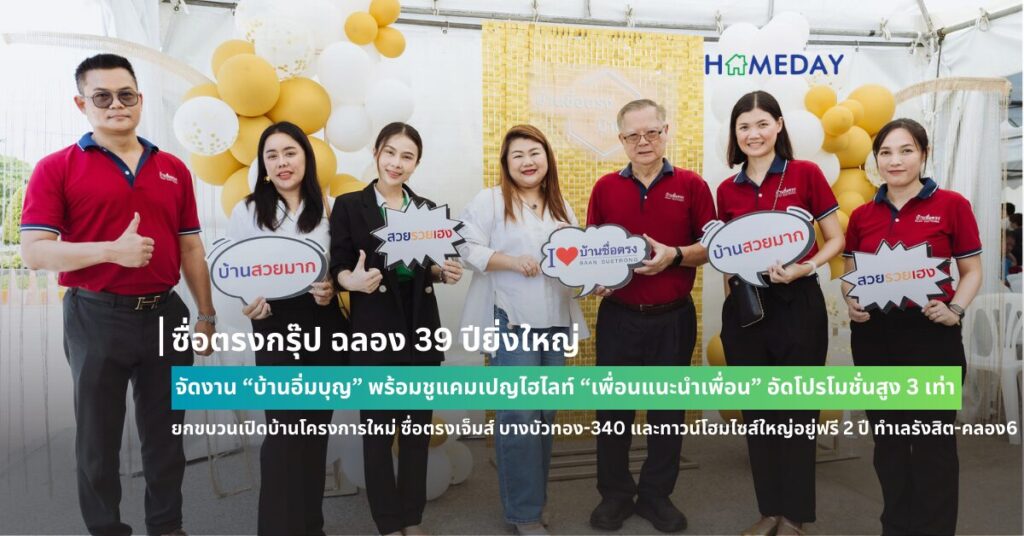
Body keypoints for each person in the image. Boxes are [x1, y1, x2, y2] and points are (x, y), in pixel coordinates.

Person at [19, 53, 216, 536]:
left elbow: (191, 247)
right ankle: (107, 529)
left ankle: (167, 526)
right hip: (95, 315)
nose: (115, 105)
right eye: (102, 96)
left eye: (125, 95)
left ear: (140, 99)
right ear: (81, 103)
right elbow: (35, 252)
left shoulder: (173, 168)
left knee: (166, 436)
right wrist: (112, 251)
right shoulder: (56, 168)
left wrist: (206, 314)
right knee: (98, 441)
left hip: (166, 314)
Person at [843, 118, 982, 536]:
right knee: (888, 443)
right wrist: (851, 300)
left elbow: (972, 270)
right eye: (885, 152)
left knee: (932, 446)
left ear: (923, 154)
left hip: (930, 334)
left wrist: (956, 309)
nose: (895, 160)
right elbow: (851, 273)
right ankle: (897, 527)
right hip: (874, 337)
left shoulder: (952, 205)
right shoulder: (863, 215)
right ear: (876, 159)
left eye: (906, 150)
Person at [714, 91, 845, 536]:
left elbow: (835, 238)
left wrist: (807, 266)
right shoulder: (727, 189)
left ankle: (795, 517)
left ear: (779, 125)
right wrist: (734, 305)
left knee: (797, 414)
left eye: (761, 124)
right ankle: (769, 510)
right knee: (758, 415)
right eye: (743, 126)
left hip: (798, 305)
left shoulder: (805, 174)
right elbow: (725, 257)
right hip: (747, 309)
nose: (753, 134)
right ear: (734, 133)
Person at [585, 99, 716, 534]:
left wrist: (674, 255)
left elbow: (710, 248)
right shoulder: (605, 187)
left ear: (666, 131)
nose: (643, 142)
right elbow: (591, 250)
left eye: (651, 132)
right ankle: (615, 495)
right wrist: (596, 278)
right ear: (621, 139)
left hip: (673, 318)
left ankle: (657, 495)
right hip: (618, 316)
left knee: (667, 412)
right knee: (613, 411)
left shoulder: (693, 185)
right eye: (633, 135)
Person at [329, 122, 463, 536]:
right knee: (377, 434)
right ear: (376, 153)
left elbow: (427, 265)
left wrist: (443, 271)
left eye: (407, 156)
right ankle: (388, 522)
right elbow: (338, 266)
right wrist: (351, 281)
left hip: (420, 328)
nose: (396, 163)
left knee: (416, 434)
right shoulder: (350, 206)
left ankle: (411, 518)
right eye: (390, 152)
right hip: (374, 330)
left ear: (416, 163)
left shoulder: (425, 208)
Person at [458, 125, 590, 535]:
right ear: (506, 163)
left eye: (534, 153)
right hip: (511, 319)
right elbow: (463, 246)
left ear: (547, 158)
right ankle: (524, 514)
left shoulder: (561, 207)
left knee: (544, 414)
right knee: (519, 414)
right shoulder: (491, 200)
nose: (527, 161)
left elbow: (575, 262)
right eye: (518, 155)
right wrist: (511, 261)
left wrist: (592, 278)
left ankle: (533, 500)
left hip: (555, 319)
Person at [226, 121, 348, 536]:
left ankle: (311, 527)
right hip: (274, 324)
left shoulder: (330, 208)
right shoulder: (246, 211)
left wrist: (332, 289)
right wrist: (248, 304)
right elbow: (236, 272)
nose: (282, 162)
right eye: (272, 155)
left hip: (323, 323)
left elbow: (340, 268)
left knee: (314, 432)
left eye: (290, 152)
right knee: (282, 434)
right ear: (263, 165)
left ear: (306, 159)